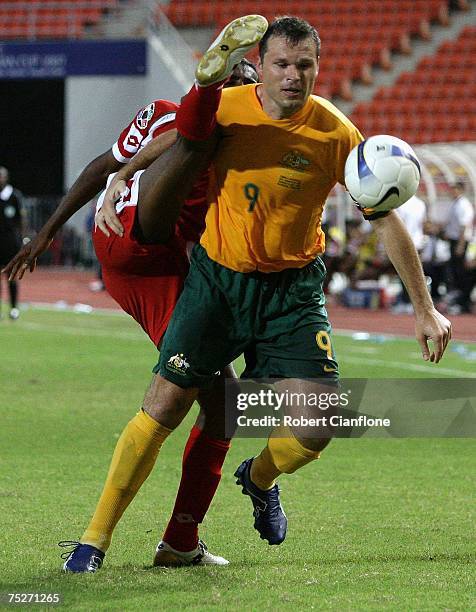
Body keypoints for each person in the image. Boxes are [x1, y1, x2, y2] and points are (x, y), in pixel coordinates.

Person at [97, 14, 451, 550]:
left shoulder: (336, 133)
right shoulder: (230, 109)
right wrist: (121, 175)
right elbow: (178, 140)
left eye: (303, 65)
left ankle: (258, 478)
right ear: (260, 67)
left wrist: (424, 307)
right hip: (217, 282)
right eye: (281, 64)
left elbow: (385, 221)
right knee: (164, 406)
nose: (292, 76)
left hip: (292, 293)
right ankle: (93, 541)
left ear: (317, 68)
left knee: (315, 429)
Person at [3, 47, 261, 570]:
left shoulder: (238, 145)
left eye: (245, 83)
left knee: (223, 403)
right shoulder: (177, 119)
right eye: (235, 81)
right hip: (134, 246)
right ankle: (99, 542)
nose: (244, 91)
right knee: (183, 398)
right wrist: (46, 232)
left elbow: (113, 164)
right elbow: (106, 164)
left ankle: (178, 541)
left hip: (159, 264)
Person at [392, 194, 427, 313]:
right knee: (416, 275)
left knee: (404, 274)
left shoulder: (399, 203)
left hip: (405, 242)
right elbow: (422, 224)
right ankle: (415, 304)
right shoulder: (420, 204)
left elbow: (397, 226)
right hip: (418, 242)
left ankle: (407, 301)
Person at [444, 180, 474, 313]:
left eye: (454, 189)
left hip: (459, 241)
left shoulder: (463, 205)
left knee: (460, 273)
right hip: (454, 240)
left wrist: (461, 245)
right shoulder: (456, 204)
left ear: (460, 190)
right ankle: (459, 301)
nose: (452, 191)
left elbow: (464, 225)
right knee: (455, 272)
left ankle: (463, 303)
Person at [0, 166, 24, 320]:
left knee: (11, 276)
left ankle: (14, 307)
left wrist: (21, 240)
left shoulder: (14, 196)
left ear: (6, 177)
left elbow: (20, 221)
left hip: (10, 241)